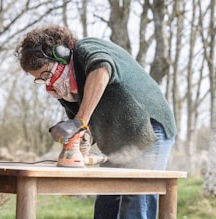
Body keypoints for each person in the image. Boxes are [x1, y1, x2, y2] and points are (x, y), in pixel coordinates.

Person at [15, 24, 177, 219]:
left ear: (62, 54)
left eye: (46, 74)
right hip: (119, 141)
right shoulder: (65, 91)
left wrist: (79, 120)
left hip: (149, 128)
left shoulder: (86, 49)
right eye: (40, 80)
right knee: (106, 201)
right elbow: (85, 127)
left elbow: (101, 69)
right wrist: (82, 140)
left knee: (135, 201)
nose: (48, 83)